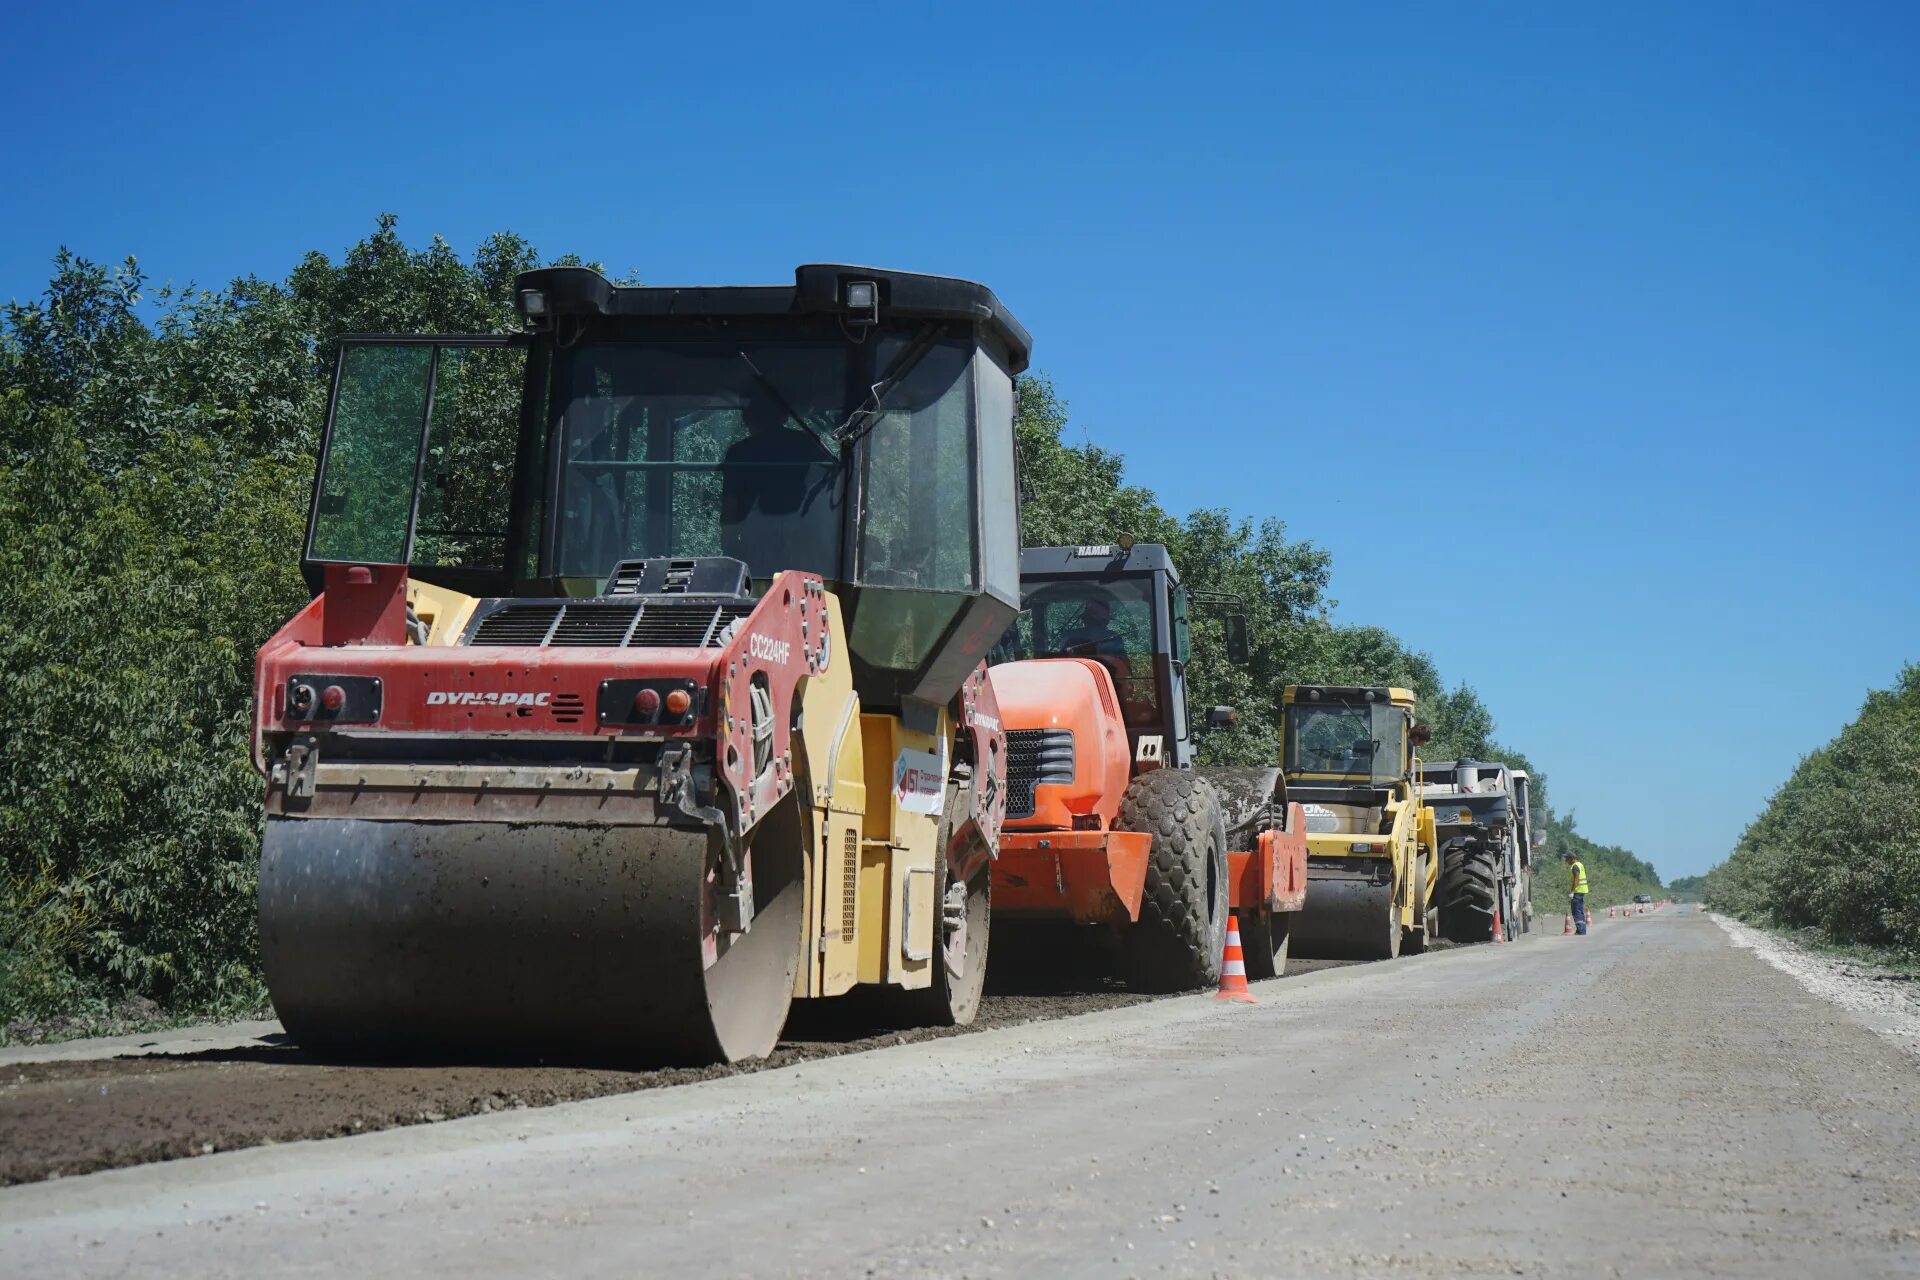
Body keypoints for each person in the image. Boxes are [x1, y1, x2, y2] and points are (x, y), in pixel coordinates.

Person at [720, 395, 835, 573]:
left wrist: (730, 546)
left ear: (749, 420)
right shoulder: (806, 443)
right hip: (800, 535)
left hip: (762, 535)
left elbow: (730, 504)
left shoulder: (739, 452)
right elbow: (831, 483)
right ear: (784, 417)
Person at [1052, 596, 1127, 657]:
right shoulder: (1113, 637)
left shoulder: (1067, 636)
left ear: (1084, 618)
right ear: (1106, 620)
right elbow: (1124, 671)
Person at [1565, 849, 1590, 935]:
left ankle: (1581, 930)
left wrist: (1572, 891)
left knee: (1576, 911)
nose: (1566, 861)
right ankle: (1582, 930)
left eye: (1567, 859)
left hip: (1577, 891)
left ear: (1571, 858)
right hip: (1582, 890)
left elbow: (1576, 879)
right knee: (1580, 910)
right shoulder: (1580, 864)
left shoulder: (1575, 866)